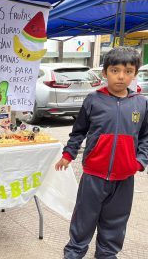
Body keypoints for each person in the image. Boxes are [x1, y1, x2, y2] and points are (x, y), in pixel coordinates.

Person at [55, 47, 148, 259]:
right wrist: (68, 155)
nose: (121, 76)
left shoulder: (140, 103)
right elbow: (78, 131)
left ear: (135, 73)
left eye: (128, 71)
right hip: (93, 176)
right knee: (84, 219)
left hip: (124, 177)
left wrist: (140, 161)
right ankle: (74, 253)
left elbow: (145, 136)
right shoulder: (93, 100)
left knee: (115, 222)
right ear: (105, 72)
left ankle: (107, 255)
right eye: (115, 70)